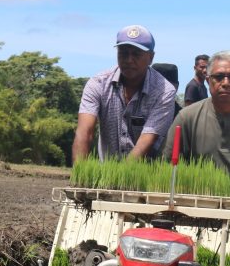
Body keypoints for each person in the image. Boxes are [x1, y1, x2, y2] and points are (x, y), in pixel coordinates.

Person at [72, 24, 176, 163]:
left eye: (136, 54)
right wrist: (79, 174)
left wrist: (120, 177)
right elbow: (85, 132)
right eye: (123, 53)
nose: (129, 60)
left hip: (147, 174)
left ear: (151, 58)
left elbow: (145, 142)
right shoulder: (98, 83)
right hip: (106, 170)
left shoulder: (163, 91)